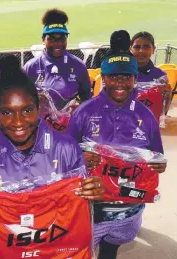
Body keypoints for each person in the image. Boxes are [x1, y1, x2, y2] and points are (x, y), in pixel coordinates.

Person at [0, 55, 104, 234]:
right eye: (7, 112)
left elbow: (79, 205)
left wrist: (91, 192)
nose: (18, 122)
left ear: (38, 106)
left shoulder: (67, 149)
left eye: (27, 110)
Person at [66, 36, 167, 259]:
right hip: (92, 207)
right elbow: (63, 157)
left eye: (126, 77)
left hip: (128, 209)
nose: (120, 83)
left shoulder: (146, 115)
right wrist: (80, 158)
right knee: (80, 250)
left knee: (111, 249)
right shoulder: (83, 112)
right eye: (113, 77)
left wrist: (159, 164)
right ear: (103, 78)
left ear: (135, 79)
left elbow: (157, 157)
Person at [23, 8, 92, 111]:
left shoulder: (78, 65)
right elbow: (21, 99)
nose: (57, 43)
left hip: (70, 124)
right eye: (51, 39)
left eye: (62, 39)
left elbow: (87, 99)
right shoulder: (31, 67)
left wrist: (79, 107)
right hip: (40, 125)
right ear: (43, 39)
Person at [130, 31, 172, 115]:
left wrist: (167, 96)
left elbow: (161, 111)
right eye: (137, 47)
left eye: (146, 47)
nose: (141, 51)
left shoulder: (160, 76)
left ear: (153, 49)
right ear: (130, 49)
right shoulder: (119, 74)